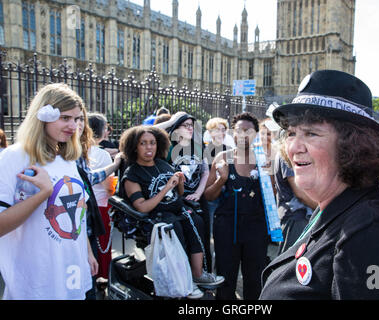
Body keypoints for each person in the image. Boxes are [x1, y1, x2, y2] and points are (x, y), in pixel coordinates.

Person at [259, 70, 379, 299]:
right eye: (291, 133)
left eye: (311, 133)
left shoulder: (369, 231)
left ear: (353, 146)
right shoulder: (336, 205)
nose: (294, 147)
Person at [0, 83, 97, 299]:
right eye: (65, 118)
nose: (73, 125)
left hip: (71, 278)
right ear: (43, 115)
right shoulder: (14, 157)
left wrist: (87, 253)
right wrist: (43, 194)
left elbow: (77, 217)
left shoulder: (67, 160)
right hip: (36, 284)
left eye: (77, 118)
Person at [119, 125, 224, 299]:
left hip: (178, 210)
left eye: (152, 143)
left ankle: (197, 275)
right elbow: (142, 207)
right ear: (134, 147)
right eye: (143, 143)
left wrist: (179, 182)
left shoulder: (163, 164)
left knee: (196, 220)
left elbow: (179, 194)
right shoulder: (133, 174)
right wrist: (166, 187)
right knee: (175, 227)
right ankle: (184, 282)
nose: (149, 147)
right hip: (156, 218)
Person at [204, 112, 269, 300]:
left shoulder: (264, 160)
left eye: (247, 131)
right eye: (238, 130)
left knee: (254, 279)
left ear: (256, 134)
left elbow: (272, 197)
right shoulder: (223, 158)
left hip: (256, 228)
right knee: (225, 278)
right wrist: (221, 179)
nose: (242, 134)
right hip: (226, 228)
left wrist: (267, 177)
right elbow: (208, 195)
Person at [155, 112, 213, 272]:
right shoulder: (168, 147)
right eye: (185, 125)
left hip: (197, 199)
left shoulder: (199, 146)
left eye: (192, 125)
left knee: (203, 237)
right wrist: (171, 121)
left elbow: (205, 173)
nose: (190, 128)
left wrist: (198, 194)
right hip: (176, 201)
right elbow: (145, 131)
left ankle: (203, 274)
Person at [87, 113, 117, 283]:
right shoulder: (102, 155)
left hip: (86, 205)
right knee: (102, 244)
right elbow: (108, 186)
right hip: (101, 205)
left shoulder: (79, 150)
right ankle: (101, 276)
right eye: (105, 127)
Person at [274, 149, 317, 254]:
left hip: (307, 216)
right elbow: (301, 194)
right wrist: (324, 208)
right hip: (295, 218)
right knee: (291, 262)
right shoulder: (286, 154)